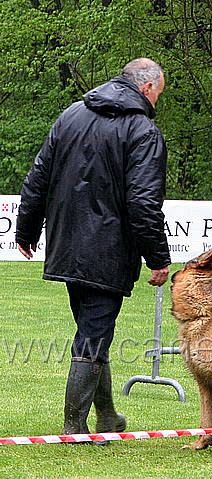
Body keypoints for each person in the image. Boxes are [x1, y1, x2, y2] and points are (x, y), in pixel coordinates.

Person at [15, 58, 171, 441]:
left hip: (67, 243)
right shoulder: (143, 131)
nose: (157, 102)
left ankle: (107, 417)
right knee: (93, 334)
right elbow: (143, 203)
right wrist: (159, 258)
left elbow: (38, 177)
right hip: (109, 251)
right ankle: (74, 426)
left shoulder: (71, 115)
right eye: (159, 95)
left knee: (92, 331)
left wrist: (26, 228)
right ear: (147, 88)